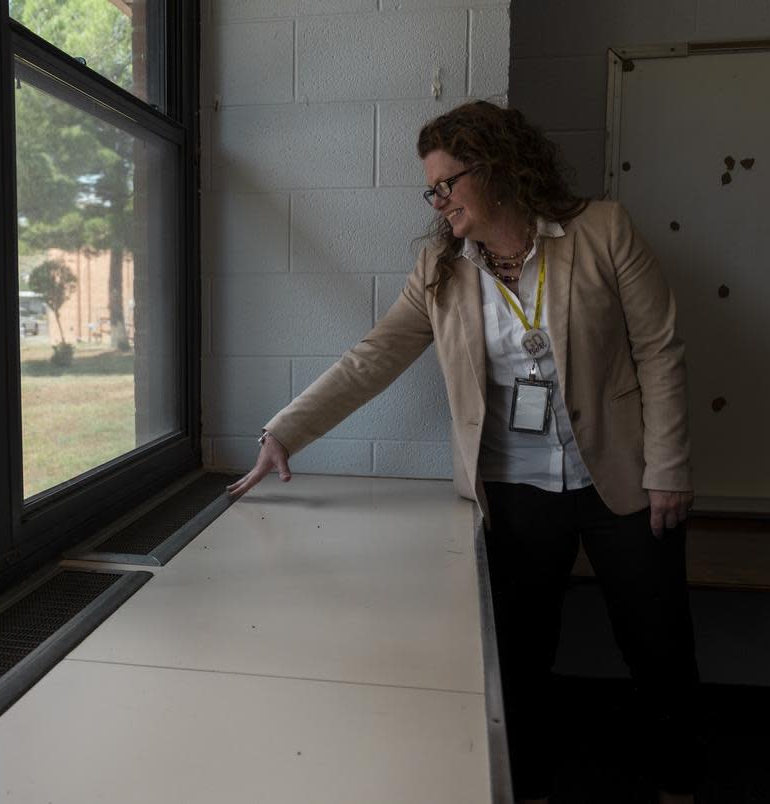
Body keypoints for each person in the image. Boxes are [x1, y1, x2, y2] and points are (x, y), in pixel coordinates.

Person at [226, 101, 699, 804]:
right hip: (512, 490)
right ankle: (526, 786)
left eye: (449, 182)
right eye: (433, 188)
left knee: (657, 642)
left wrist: (668, 468)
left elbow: (659, 351)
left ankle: (678, 783)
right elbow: (375, 356)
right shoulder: (441, 270)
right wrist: (285, 431)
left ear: (502, 169)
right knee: (518, 656)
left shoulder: (602, 231)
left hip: (624, 481)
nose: (438, 200)